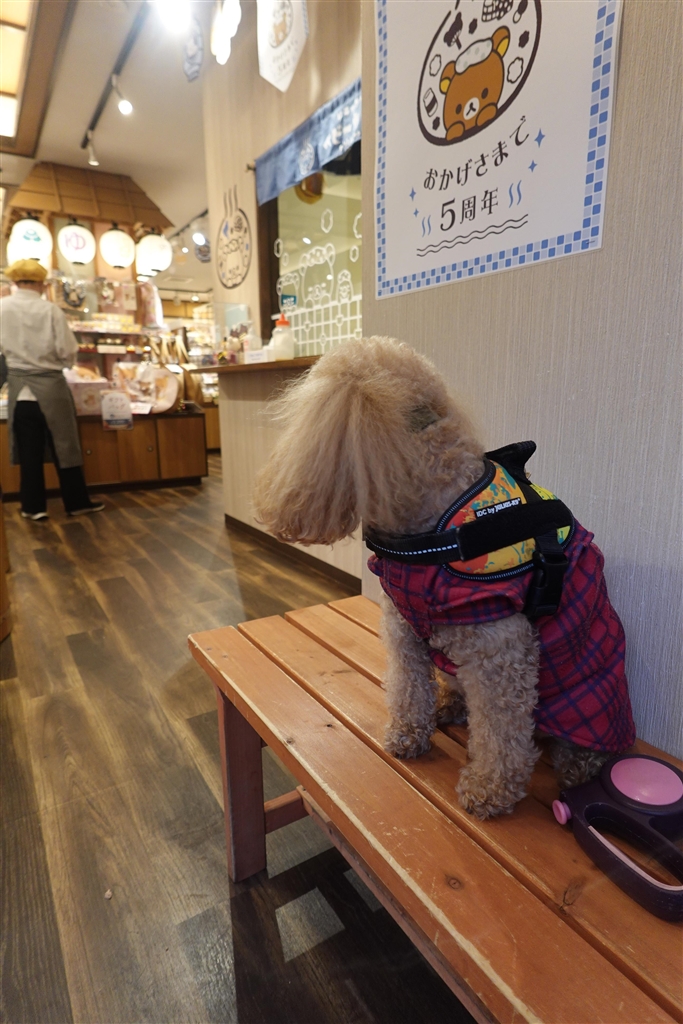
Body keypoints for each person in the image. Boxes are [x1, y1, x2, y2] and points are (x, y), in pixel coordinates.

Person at [1, 259, 104, 521]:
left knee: (29, 452)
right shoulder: (51, 311)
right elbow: (67, 350)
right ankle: (76, 502)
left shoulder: (2, 308)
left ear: (15, 282)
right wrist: (62, 363)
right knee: (65, 448)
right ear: (41, 284)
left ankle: (33, 507)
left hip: (20, 391)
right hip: (52, 387)